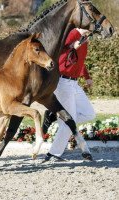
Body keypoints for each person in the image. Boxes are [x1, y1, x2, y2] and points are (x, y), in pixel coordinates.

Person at [43, 28, 96, 161]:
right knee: (69, 121)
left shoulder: (85, 38)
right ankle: (53, 154)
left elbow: (80, 60)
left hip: (74, 84)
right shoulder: (71, 33)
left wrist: (87, 76)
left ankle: (55, 116)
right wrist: (72, 46)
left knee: (89, 113)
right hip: (62, 82)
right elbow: (56, 51)